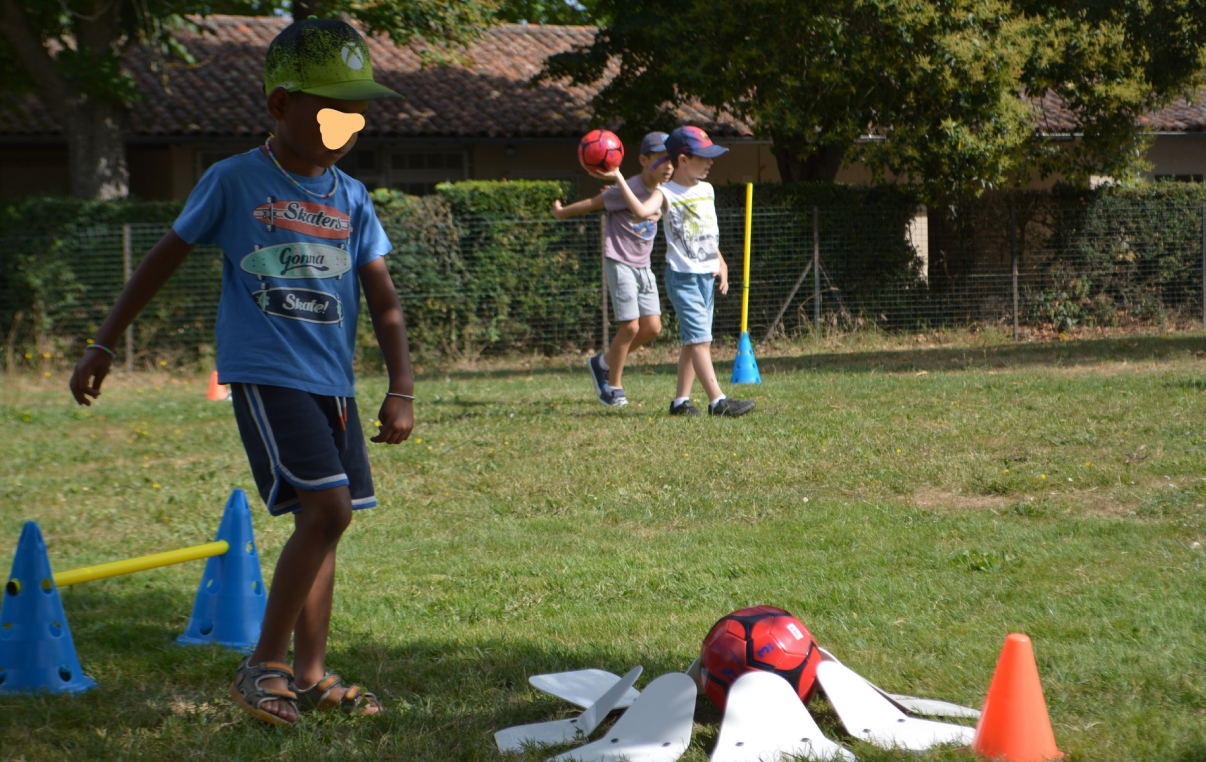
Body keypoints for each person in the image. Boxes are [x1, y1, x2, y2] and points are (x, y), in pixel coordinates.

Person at [68, 18, 414, 726]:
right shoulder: (233, 179)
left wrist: (401, 385)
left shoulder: (351, 196)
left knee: (327, 523)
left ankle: (312, 676)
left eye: (355, 110)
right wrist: (104, 343)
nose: (345, 123)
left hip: (335, 386)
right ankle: (263, 665)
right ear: (279, 105)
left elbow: (384, 300)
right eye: (327, 107)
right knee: (327, 510)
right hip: (269, 372)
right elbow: (162, 258)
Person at [604, 126, 756, 417]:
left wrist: (720, 262)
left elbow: (707, 234)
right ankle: (718, 401)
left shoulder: (707, 190)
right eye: (704, 157)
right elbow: (639, 212)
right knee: (701, 340)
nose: (711, 162)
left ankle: (680, 403)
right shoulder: (665, 193)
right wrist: (620, 178)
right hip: (683, 277)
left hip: (706, 275)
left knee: (692, 339)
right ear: (683, 159)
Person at [553, 132, 674, 406]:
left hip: (643, 266)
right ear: (643, 160)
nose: (668, 166)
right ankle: (612, 386)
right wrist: (562, 213)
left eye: (672, 161)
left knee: (652, 327)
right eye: (661, 160)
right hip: (619, 261)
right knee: (630, 327)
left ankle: (603, 362)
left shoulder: (665, 192)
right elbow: (593, 204)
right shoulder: (625, 187)